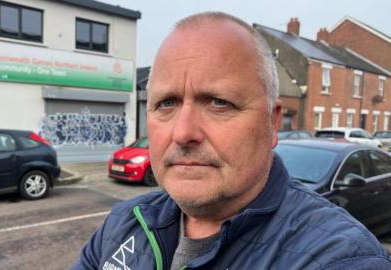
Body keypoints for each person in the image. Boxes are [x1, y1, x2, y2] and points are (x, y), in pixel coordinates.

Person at [72, 12, 391, 270]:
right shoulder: (123, 222)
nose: (182, 133)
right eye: (166, 103)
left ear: (272, 122)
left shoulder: (340, 256)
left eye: (219, 102)